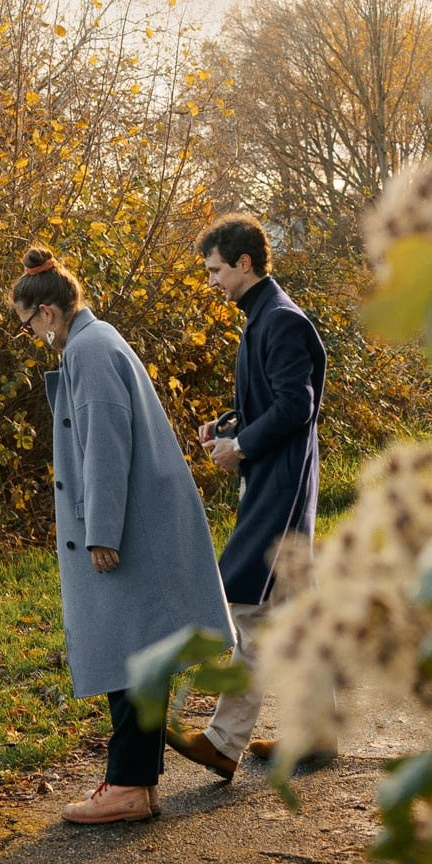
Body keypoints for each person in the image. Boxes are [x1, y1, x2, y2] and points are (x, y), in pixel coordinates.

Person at [11, 245, 233, 825]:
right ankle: (135, 783)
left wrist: (100, 532)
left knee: (129, 653)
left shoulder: (88, 351)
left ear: (49, 313)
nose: (31, 335)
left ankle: (130, 787)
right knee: (139, 653)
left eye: (27, 324)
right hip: (141, 520)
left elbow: (106, 451)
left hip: (129, 527)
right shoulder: (96, 340)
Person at [171, 213, 327, 783]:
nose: (210, 281)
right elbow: (271, 402)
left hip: (278, 489)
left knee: (251, 608)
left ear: (243, 263)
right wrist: (228, 425)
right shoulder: (261, 317)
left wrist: (242, 449)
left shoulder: (280, 320)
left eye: (215, 269)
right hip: (277, 479)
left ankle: (222, 740)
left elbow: (296, 407)